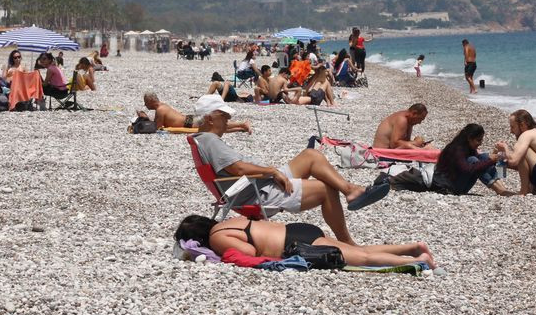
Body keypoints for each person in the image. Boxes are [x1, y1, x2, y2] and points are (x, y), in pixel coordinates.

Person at [191, 94, 390, 244]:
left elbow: (230, 157)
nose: (227, 120)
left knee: (311, 156)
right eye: (224, 116)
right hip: (257, 192)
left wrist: (240, 126)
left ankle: (351, 191)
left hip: (256, 184)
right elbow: (237, 168)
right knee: (326, 188)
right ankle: (347, 243)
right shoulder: (210, 140)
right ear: (210, 119)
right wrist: (271, 171)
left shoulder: (204, 138)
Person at [174, 215, 435, 268]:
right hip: (297, 229)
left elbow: (249, 251)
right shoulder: (227, 220)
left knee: (362, 259)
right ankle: (413, 247)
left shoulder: (217, 237)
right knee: (358, 250)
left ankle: (419, 260)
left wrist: (223, 254)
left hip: (294, 244)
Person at [431, 124, 512, 196]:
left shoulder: (468, 147)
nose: (480, 143)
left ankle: (502, 188)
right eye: (478, 140)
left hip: (458, 183)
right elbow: (468, 169)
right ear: (469, 138)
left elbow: (483, 163)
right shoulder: (457, 149)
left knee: (485, 157)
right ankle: (499, 190)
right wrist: (493, 159)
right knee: (475, 160)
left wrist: (498, 153)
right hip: (450, 187)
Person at [137, 91, 251, 132]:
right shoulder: (162, 106)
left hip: (189, 123)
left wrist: (145, 118)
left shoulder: (160, 110)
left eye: (146, 103)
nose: (145, 105)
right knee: (216, 125)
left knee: (215, 127)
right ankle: (241, 127)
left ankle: (242, 125)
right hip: (188, 119)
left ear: (151, 101)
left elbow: (157, 127)